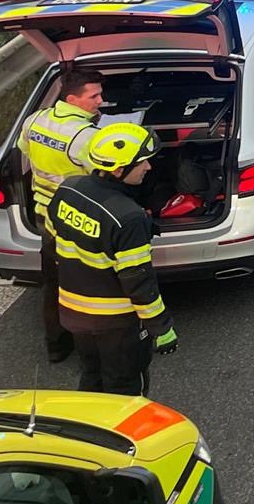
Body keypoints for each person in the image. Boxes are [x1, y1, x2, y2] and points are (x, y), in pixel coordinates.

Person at [51, 123, 178, 396]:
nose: (149, 168)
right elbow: (138, 281)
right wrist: (161, 327)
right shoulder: (126, 218)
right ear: (119, 170)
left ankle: (90, 435)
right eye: (142, 163)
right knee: (126, 391)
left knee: (92, 378)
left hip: (75, 314)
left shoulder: (68, 189)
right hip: (116, 324)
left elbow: (58, 239)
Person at [17, 70, 105, 363]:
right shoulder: (86, 137)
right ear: (72, 99)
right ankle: (91, 350)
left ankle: (56, 346)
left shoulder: (35, 120)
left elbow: (26, 155)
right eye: (93, 96)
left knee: (53, 284)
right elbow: (105, 178)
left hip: (45, 216)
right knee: (88, 288)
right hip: (77, 221)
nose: (100, 101)